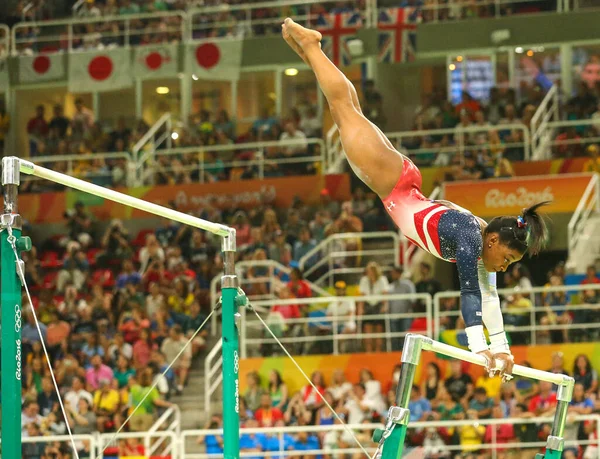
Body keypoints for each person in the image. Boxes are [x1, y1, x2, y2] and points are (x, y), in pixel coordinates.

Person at [281, 18, 549, 379]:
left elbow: (489, 298)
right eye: (508, 257)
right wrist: (479, 348)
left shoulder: (480, 239)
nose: (506, 266)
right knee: (344, 109)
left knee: (347, 109)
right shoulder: (471, 236)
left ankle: (308, 49)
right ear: (494, 240)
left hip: (400, 183)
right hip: (393, 184)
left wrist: (503, 350)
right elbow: (469, 293)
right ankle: (311, 46)